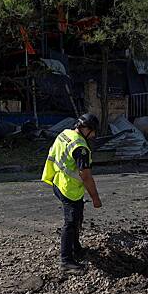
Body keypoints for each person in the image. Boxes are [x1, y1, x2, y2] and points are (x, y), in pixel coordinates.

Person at [41, 113, 102, 274]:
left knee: (76, 218)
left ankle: (77, 249)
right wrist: (95, 198)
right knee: (70, 223)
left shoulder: (65, 133)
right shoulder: (80, 148)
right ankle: (66, 260)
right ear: (85, 129)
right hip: (69, 189)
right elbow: (86, 176)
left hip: (57, 181)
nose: (94, 135)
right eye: (93, 131)